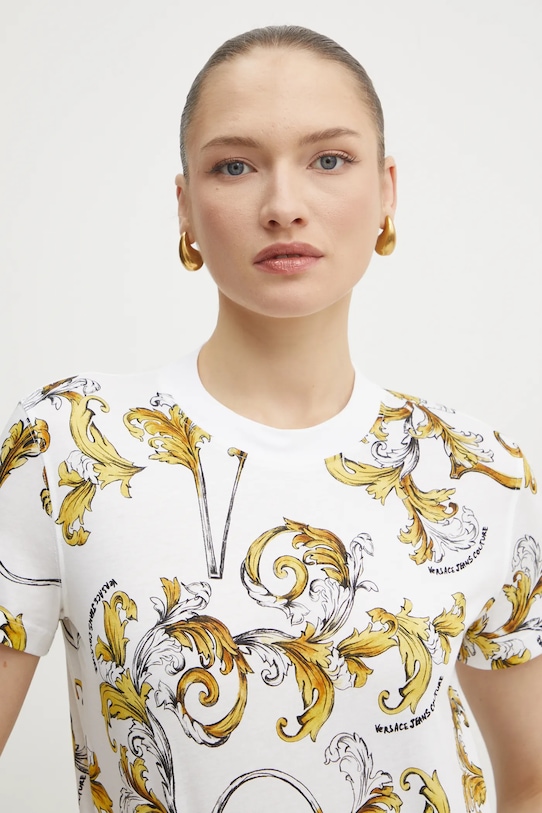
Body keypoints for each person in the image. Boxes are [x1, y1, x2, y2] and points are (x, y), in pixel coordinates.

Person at [0, 24, 541, 813]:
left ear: (387, 190)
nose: (284, 206)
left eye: (329, 159)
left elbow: (532, 780)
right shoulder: (69, 442)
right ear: (185, 205)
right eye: (235, 165)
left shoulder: (476, 470)